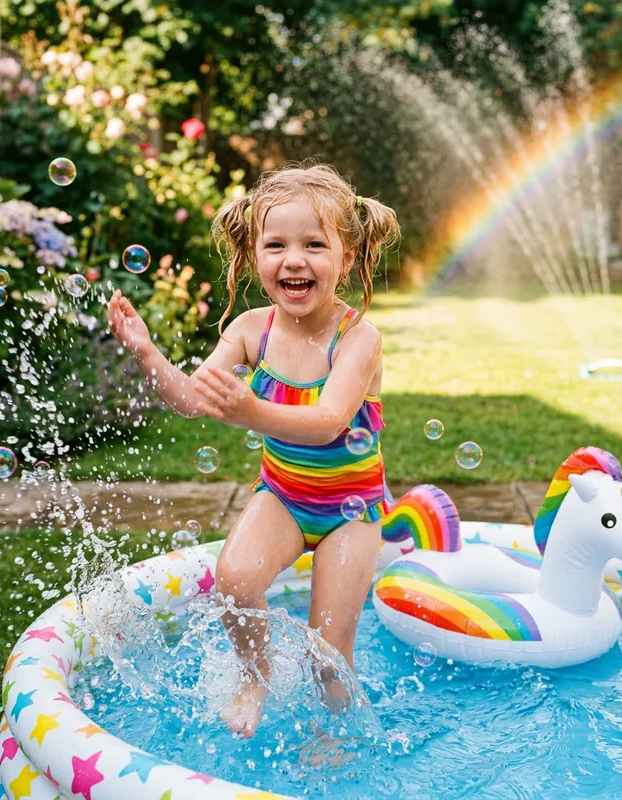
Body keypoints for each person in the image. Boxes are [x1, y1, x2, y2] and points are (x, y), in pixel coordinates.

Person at [107, 161, 401, 737]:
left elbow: (327, 423)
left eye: (314, 244)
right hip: (284, 496)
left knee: (327, 652)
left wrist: (251, 412)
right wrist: (147, 353)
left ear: (346, 257)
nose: (294, 260)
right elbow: (191, 399)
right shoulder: (250, 330)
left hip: (350, 512)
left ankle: (334, 736)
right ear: (254, 254)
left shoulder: (358, 338)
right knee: (235, 578)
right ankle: (255, 676)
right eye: (276, 245)